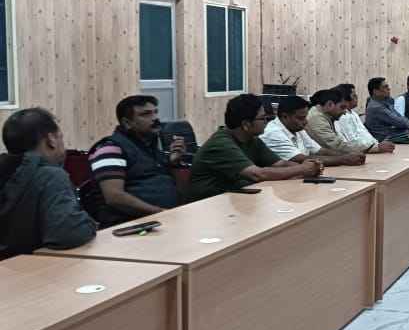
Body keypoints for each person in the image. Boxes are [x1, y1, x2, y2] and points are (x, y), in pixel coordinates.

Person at [0, 107, 96, 258]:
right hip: (28, 267)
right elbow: (68, 235)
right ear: (51, 140)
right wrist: (90, 223)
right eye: (61, 137)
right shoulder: (50, 176)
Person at [189, 94, 319, 201]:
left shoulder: (252, 139)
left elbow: (280, 164)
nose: (267, 122)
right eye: (263, 118)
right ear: (246, 124)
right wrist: (302, 168)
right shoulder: (221, 144)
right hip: (207, 204)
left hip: (235, 198)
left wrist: (310, 167)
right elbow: (258, 174)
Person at [88, 95, 183, 225]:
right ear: (127, 123)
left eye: (155, 112)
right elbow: (114, 197)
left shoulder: (150, 146)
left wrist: (173, 161)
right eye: (146, 114)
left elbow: (154, 177)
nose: (155, 118)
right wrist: (160, 212)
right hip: (132, 225)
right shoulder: (110, 149)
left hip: (164, 220)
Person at [262, 94, 365, 165]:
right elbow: (302, 159)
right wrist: (344, 159)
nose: (305, 122)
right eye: (301, 118)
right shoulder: (273, 133)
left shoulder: (297, 129)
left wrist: (348, 155)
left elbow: (319, 150)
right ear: (285, 116)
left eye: (305, 117)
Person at [303, 89, 367, 163]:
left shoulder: (326, 116)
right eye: (342, 107)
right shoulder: (316, 118)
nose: (345, 112)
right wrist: (358, 151)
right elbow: (335, 145)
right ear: (330, 104)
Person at [334, 83, 396, 153]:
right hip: (360, 151)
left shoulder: (353, 113)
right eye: (354, 95)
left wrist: (377, 144)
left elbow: (365, 133)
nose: (357, 97)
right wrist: (376, 147)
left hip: (369, 147)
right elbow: (352, 141)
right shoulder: (342, 116)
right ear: (345, 99)